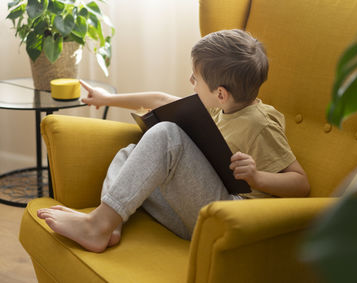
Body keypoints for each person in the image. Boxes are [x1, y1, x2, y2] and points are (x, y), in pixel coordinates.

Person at [37, 29, 310, 253]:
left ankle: (96, 226)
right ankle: (110, 224)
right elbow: (158, 99)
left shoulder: (260, 124)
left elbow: (301, 183)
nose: (190, 81)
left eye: (196, 78)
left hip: (228, 216)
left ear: (221, 93)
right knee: (129, 154)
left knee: (168, 135)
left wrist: (258, 177)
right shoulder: (220, 107)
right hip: (190, 211)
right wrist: (105, 99)